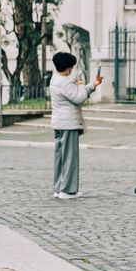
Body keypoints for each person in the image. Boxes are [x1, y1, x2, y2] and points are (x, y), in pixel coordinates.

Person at [49, 52, 103, 199]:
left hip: (59, 123)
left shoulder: (55, 79)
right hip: (69, 123)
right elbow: (79, 98)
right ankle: (68, 190)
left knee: (60, 157)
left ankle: (59, 187)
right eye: (71, 68)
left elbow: (75, 93)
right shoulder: (66, 82)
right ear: (67, 68)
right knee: (70, 158)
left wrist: (90, 85)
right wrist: (86, 86)